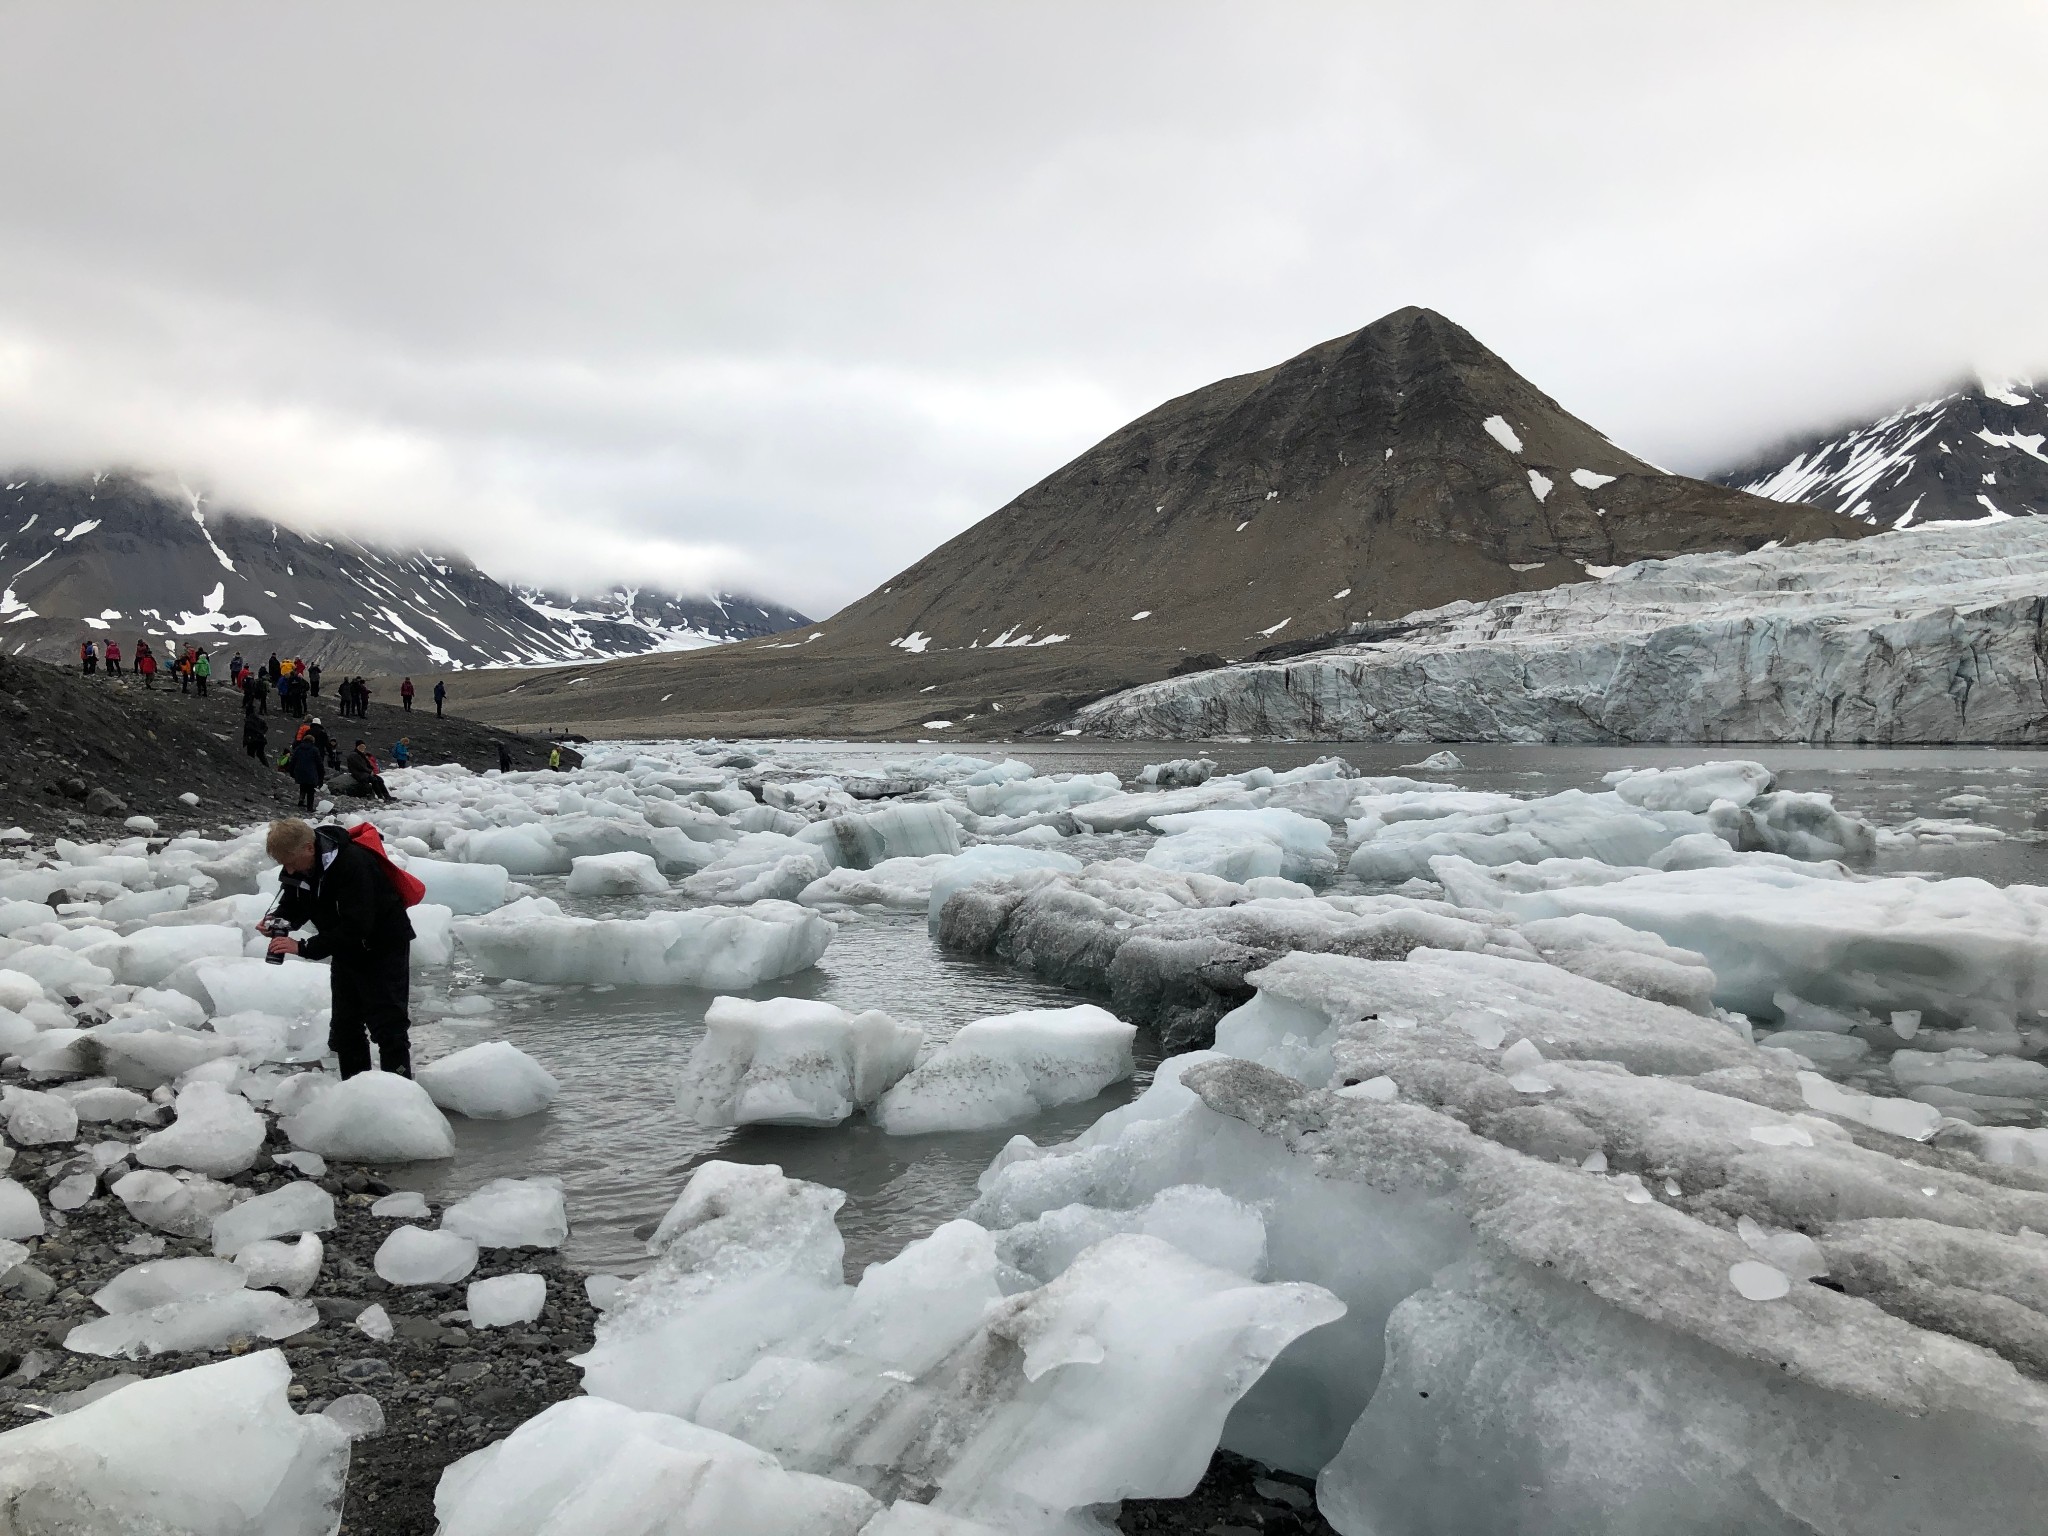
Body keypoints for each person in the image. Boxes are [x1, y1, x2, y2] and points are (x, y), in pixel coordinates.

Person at [263, 818, 416, 1079]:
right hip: (347, 951)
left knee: (388, 1027)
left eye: (290, 862)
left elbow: (358, 925)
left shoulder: (353, 864)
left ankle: (400, 1097)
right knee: (346, 1028)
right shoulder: (300, 866)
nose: (288, 869)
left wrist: (303, 947)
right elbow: (295, 900)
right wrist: (280, 921)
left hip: (382, 947)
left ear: (309, 849)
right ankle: (356, 1091)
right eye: (283, 864)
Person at [287, 727, 324, 813]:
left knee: (303, 786)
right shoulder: (314, 750)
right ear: (313, 741)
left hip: (300, 771)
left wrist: (291, 771)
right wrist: (321, 774)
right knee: (311, 790)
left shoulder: (298, 748)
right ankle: (309, 807)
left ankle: (301, 799)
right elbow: (319, 763)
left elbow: (293, 761)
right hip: (311, 772)